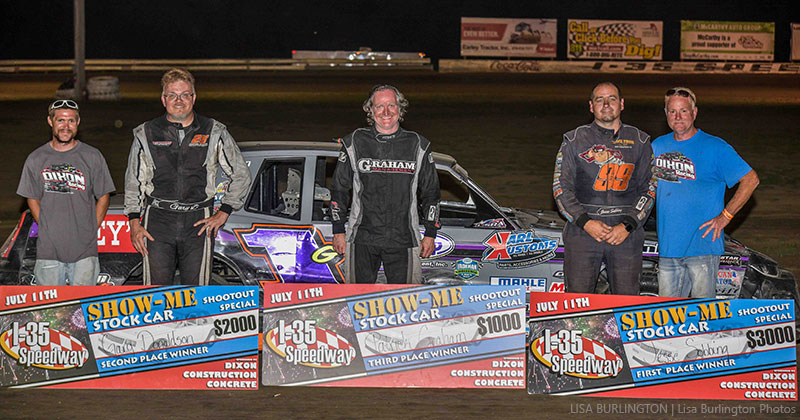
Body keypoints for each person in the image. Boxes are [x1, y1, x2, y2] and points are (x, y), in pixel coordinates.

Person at [124, 68, 251, 285]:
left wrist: (224, 212)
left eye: (185, 94)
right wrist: (134, 222)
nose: (179, 100)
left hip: (198, 221)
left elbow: (241, 174)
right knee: (154, 293)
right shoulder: (145, 132)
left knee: (197, 294)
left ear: (194, 97)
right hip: (157, 222)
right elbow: (133, 182)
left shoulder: (214, 130)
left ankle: (196, 321)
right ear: (163, 100)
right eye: (172, 95)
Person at [652, 87, 759, 298]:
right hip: (668, 246)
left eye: (683, 111)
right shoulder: (657, 146)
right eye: (672, 111)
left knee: (703, 316)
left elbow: (751, 180)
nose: (678, 117)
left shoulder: (715, 147)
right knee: (667, 316)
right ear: (666, 114)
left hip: (702, 246)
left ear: (694, 112)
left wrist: (725, 216)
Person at [553, 82, 656, 295]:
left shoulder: (641, 140)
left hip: (626, 234)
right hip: (583, 232)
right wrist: (586, 222)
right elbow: (560, 188)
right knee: (577, 303)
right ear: (591, 106)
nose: (606, 104)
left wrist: (627, 225)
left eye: (612, 99)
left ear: (622, 104)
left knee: (627, 305)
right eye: (600, 100)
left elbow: (650, 188)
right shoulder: (573, 140)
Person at [330, 84, 440, 284]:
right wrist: (338, 230)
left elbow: (431, 193)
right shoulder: (354, 141)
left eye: (392, 105)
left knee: (406, 304)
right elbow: (339, 190)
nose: (386, 112)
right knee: (357, 303)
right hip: (361, 238)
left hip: (404, 239)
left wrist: (430, 233)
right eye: (379, 106)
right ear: (370, 110)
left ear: (400, 108)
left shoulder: (419, 145)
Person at [17, 100, 115, 285]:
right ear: (50, 121)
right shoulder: (36, 158)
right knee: (51, 310)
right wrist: (46, 227)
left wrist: (91, 227)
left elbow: (104, 196)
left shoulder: (92, 156)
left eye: (71, 121)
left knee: (83, 308)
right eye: (60, 120)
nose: (65, 126)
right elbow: (32, 198)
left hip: (85, 251)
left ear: (78, 122)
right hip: (49, 251)